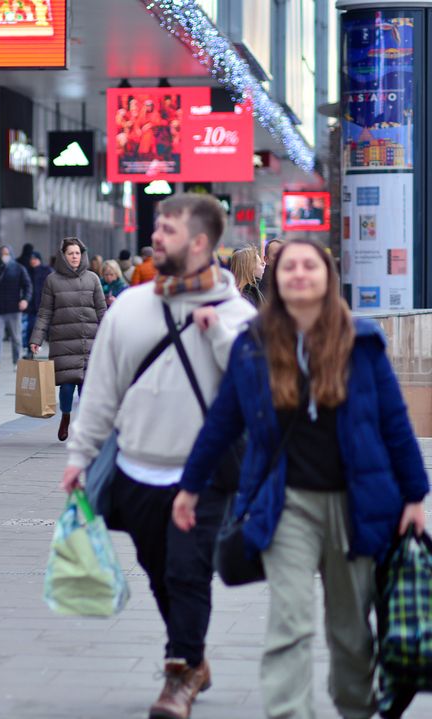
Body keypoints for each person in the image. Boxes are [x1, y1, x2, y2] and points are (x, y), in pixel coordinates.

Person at [174, 238, 429, 719]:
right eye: (289, 267)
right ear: (275, 277)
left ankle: (356, 707)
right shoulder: (255, 343)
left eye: (310, 266)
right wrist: (190, 486)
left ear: (328, 277)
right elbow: (223, 421)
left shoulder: (363, 340)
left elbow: (395, 422)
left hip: (357, 505)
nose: (299, 275)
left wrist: (415, 495)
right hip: (286, 502)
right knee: (289, 622)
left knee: (351, 631)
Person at [60, 194, 257, 719]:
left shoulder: (237, 313)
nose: (156, 237)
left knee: (189, 571)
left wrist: (218, 341)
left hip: (205, 473)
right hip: (136, 467)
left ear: (199, 243)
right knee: (158, 569)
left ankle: (180, 673)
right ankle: (191, 655)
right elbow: (101, 390)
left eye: (168, 230)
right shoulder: (130, 305)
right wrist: (79, 457)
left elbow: (255, 394)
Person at [28, 238, 105, 441]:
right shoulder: (53, 281)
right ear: (63, 256)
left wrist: (110, 335)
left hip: (90, 341)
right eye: (70, 253)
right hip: (64, 342)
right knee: (67, 386)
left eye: (77, 253)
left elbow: (102, 310)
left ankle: (87, 427)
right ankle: (66, 416)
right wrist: (36, 338)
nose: (74, 257)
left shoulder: (93, 279)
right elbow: (45, 312)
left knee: (87, 387)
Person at [0, 245, 31, 372]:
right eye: (2, 253)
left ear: (11, 254)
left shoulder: (18, 268)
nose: (4, 256)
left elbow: (28, 285)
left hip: (14, 309)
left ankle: (17, 362)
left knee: (16, 337)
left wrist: (25, 300)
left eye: (6, 253)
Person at [23, 251, 53, 359]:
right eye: (31, 259)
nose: (33, 261)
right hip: (32, 307)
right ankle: (30, 351)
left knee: (49, 331)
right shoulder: (27, 271)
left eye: (35, 259)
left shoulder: (46, 271)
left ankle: (53, 352)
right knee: (31, 329)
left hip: (45, 306)